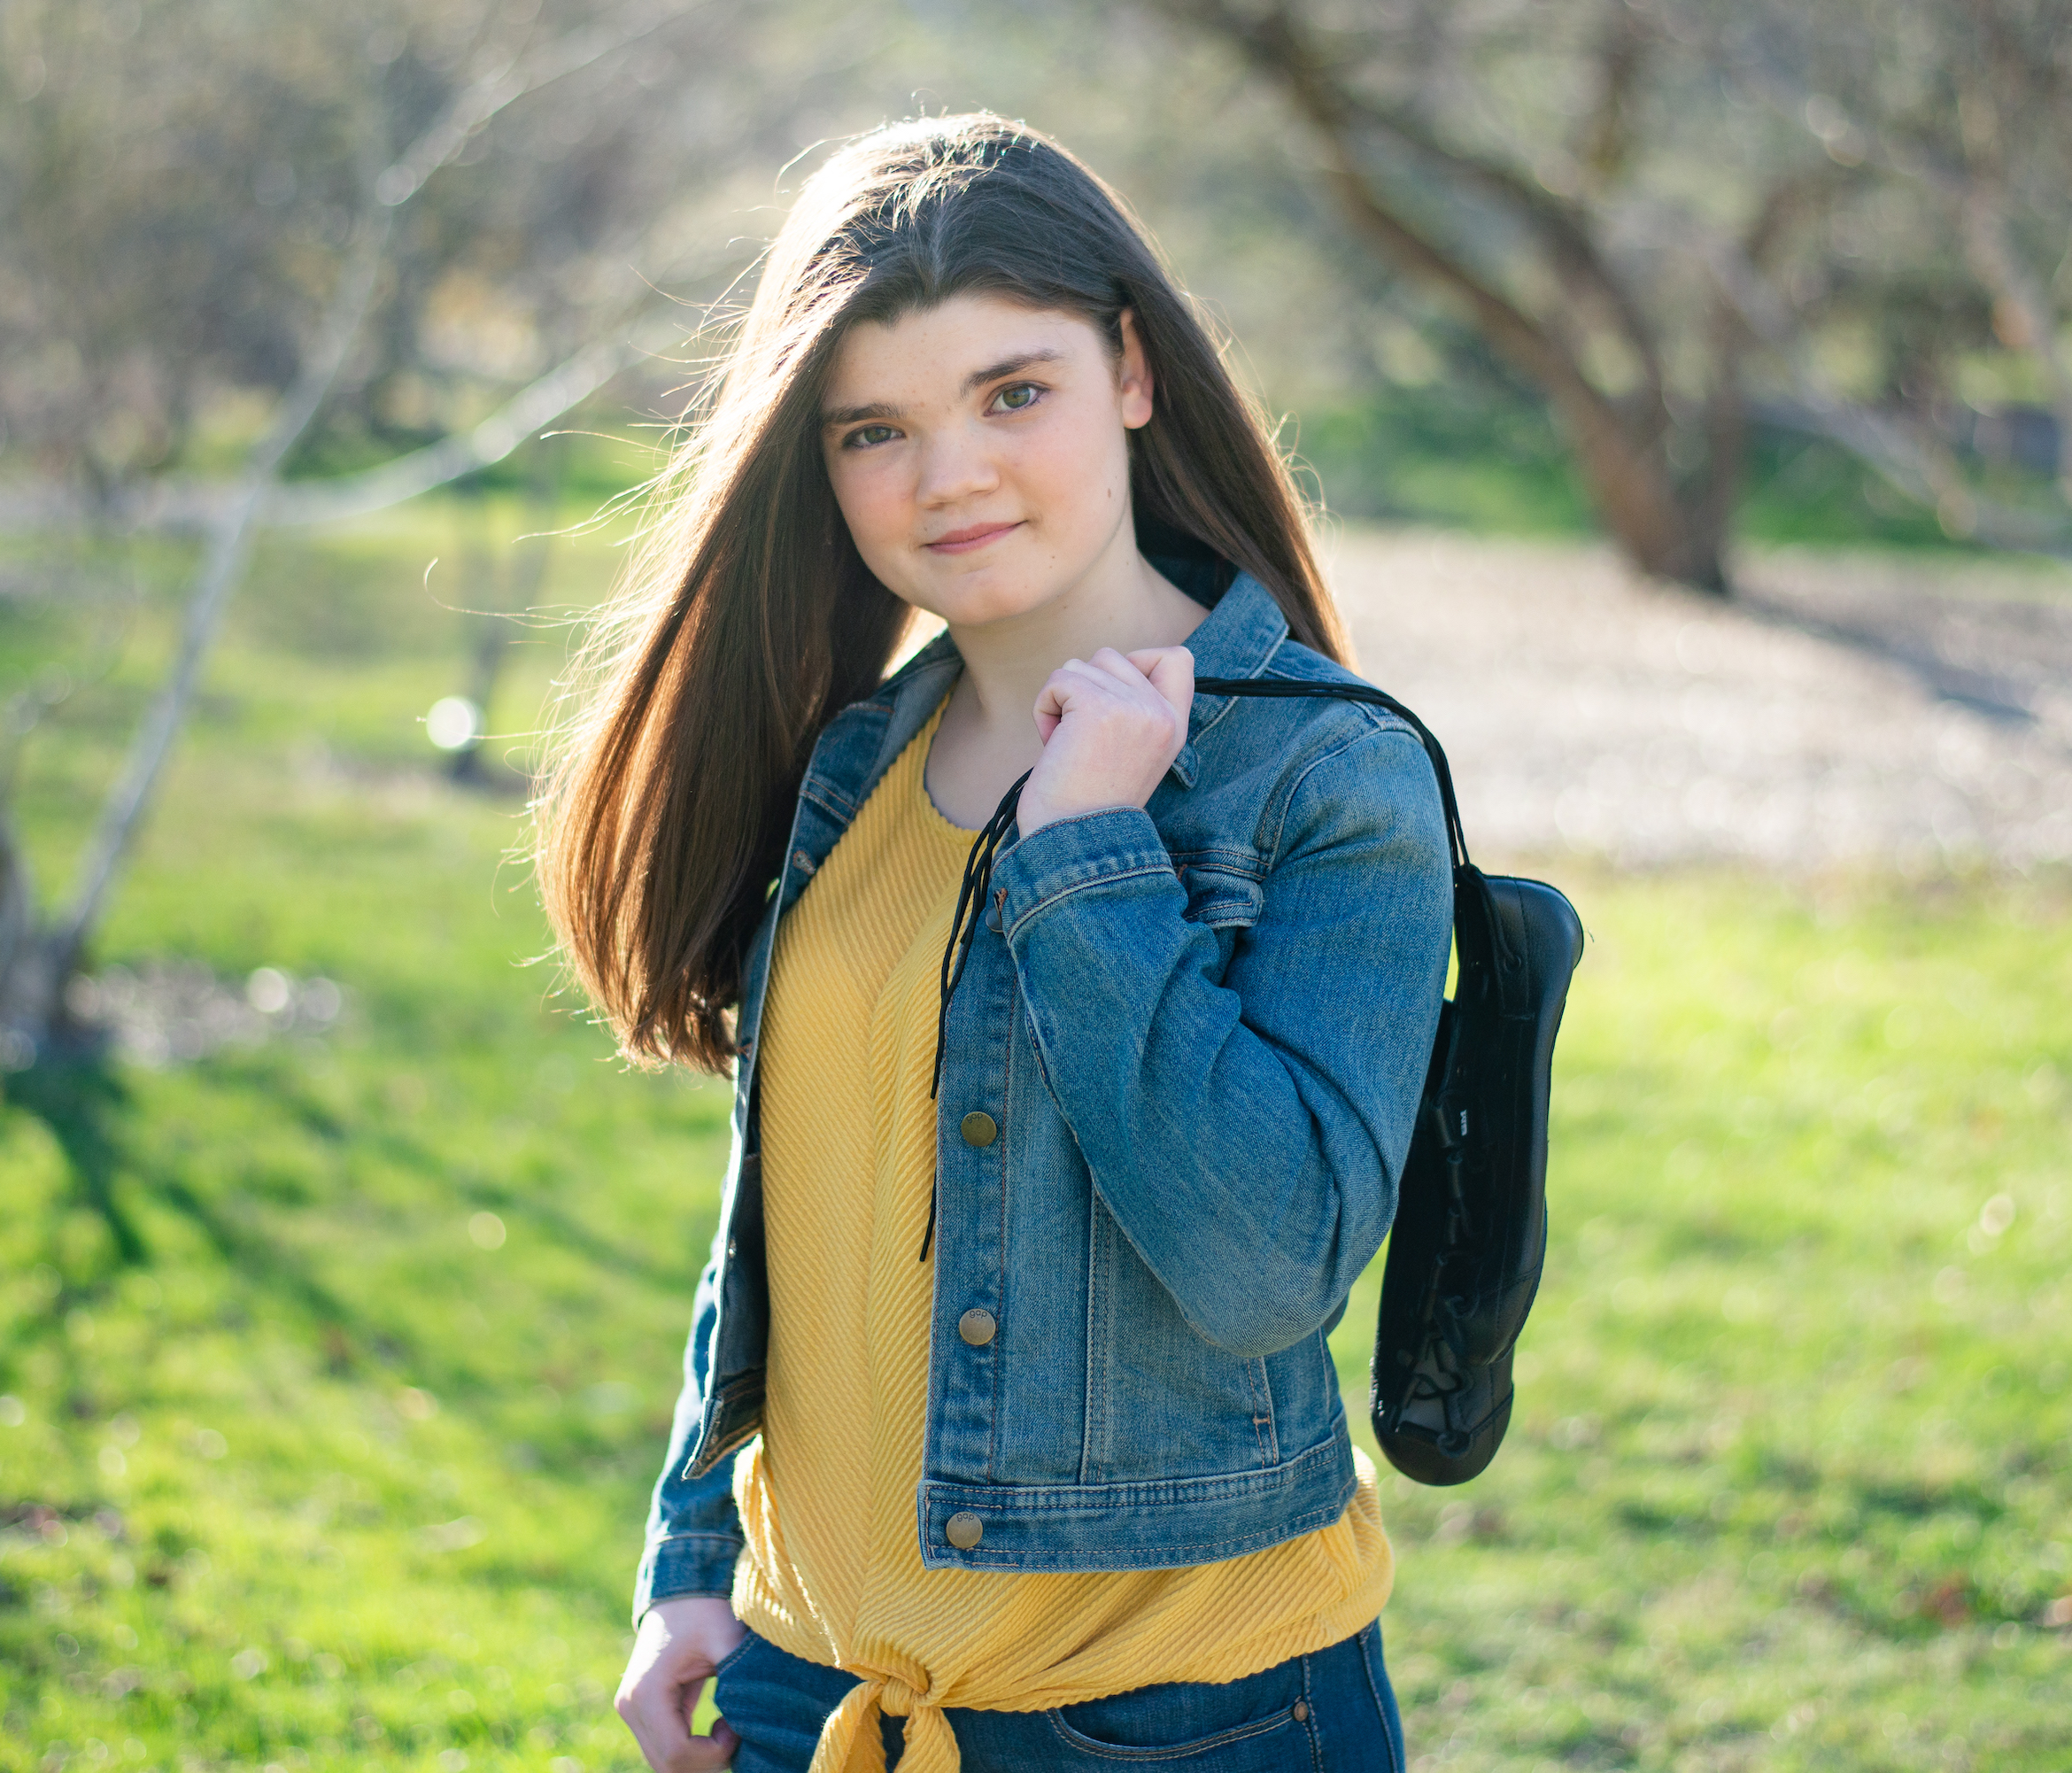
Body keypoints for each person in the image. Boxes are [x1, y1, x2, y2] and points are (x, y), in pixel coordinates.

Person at [536, 113, 1452, 1773]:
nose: (946, 475)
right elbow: (796, 1203)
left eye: (1012, 392)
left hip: (1184, 1717)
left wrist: (1091, 849)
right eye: (874, 428)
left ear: (1133, 371)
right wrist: (693, 1561)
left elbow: (1267, 1268)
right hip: (811, 1691)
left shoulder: (1326, 774)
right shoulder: (859, 760)